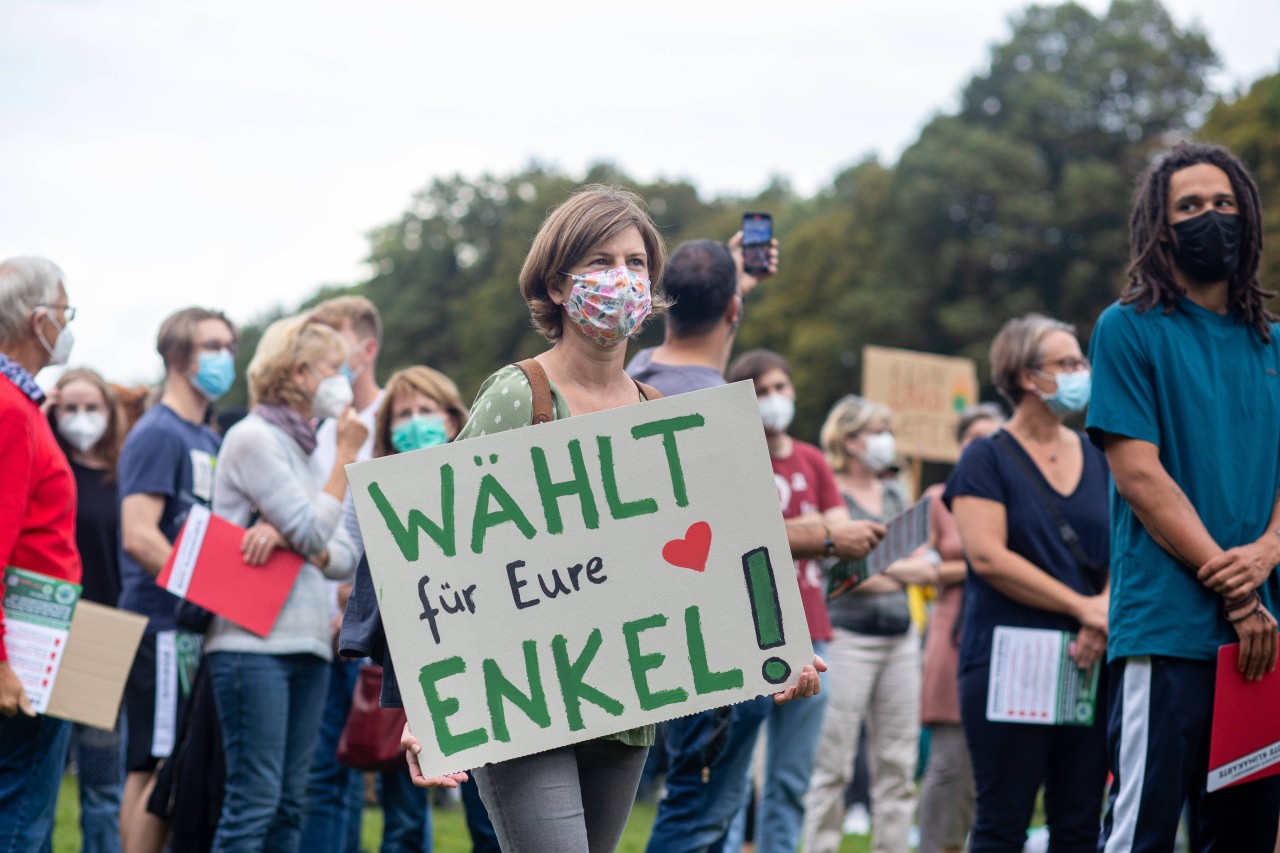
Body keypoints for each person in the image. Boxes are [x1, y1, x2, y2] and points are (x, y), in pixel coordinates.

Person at [395, 186, 824, 853]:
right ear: (559, 283)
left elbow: (706, 562)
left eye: (635, 262)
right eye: (600, 260)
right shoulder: (519, 396)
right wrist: (425, 701)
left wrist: (776, 644)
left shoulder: (661, 416)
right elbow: (441, 556)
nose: (621, 277)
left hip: (624, 705)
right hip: (521, 702)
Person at [1088, 141, 1280, 851]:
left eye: (1224, 204)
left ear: (1249, 217)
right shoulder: (1128, 328)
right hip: (1167, 629)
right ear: (1160, 227)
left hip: (1262, 641)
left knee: (1245, 837)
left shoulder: (1276, 346)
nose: (1211, 218)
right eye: (1191, 206)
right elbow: (1140, 475)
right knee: (1139, 832)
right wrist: (1235, 590)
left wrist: (1267, 551)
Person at [945, 314, 1110, 852]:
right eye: (1066, 363)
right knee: (1002, 820)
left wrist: (1102, 614)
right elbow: (988, 556)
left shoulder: (1100, 455)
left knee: (1080, 821)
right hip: (1008, 663)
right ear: (1023, 375)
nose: (1080, 372)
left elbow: (1124, 549)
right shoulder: (984, 458)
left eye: (1082, 362)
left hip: (1090, 660)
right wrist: (1085, 608)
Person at [205, 314, 362, 851]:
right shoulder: (254, 438)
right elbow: (316, 527)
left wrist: (296, 535)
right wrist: (344, 458)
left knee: (291, 804)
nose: (341, 381)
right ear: (298, 372)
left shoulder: (301, 446)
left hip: (306, 642)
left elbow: (341, 556)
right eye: (331, 368)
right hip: (251, 644)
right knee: (255, 801)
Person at [724, 349, 884, 853]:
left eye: (781, 387)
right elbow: (738, 532)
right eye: (762, 390)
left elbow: (842, 530)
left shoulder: (813, 459)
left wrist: (802, 534)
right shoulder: (732, 453)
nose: (775, 399)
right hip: (746, 629)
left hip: (813, 628)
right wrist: (820, 534)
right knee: (730, 779)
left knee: (792, 778)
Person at [117, 306, 237, 853]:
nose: (225, 358)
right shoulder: (157, 432)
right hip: (161, 624)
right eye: (213, 346)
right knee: (154, 762)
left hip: (191, 625)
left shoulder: (207, 438)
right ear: (177, 354)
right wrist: (210, 588)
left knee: (176, 764)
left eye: (231, 347)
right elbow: (140, 536)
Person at [803, 395, 940, 853]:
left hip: (901, 640)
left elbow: (927, 569)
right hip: (846, 640)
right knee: (833, 765)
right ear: (849, 440)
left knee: (898, 766)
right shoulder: (832, 493)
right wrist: (889, 567)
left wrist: (871, 566)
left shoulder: (897, 494)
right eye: (876, 430)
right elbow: (840, 577)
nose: (886, 439)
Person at [300, 295, 391, 853]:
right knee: (329, 770)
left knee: (366, 765)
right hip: (322, 620)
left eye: (336, 349)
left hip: (371, 624)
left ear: (366, 349)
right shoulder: (318, 430)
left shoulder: (395, 419)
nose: (326, 364)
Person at [0, 256, 81, 851]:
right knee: (21, 819)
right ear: (38, 320)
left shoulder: (22, 406)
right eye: (65, 310)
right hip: (24, 649)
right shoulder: (9, 409)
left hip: (42, 635)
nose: (69, 324)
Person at [916, 403, 1003, 853]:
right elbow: (919, 567)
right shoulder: (936, 498)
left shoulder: (1014, 493)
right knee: (950, 759)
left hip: (1004, 631)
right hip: (952, 630)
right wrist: (984, 562)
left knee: (990, 762)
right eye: (976, 439)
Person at [50, 367, 129, 853]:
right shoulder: (49, 467)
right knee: (35, 772)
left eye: (91, 407)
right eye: (70, 408)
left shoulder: (126, 475)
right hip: (48, 630)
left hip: (106, 637)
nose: (81, 418)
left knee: (103, 782)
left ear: (110, 412)